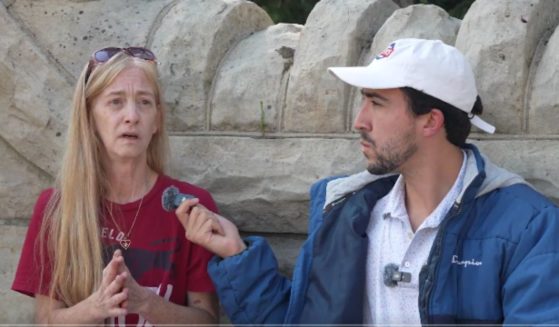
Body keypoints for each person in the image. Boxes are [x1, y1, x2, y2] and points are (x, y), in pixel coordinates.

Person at [176, 38, 559, 324]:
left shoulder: (528, 227)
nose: (359, 121)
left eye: (377, 103)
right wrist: (235, 255)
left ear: (431, 121)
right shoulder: (345, 210)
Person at [12, 47, 219, 325]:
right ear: (89, 117)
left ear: (157, 119)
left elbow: (207, 321)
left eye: (144, 102)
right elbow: (46, 321)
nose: (131, 116)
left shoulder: (190, 205)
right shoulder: (55, 209)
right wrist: (96, 307)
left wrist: (146, 302)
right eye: (115, 102)